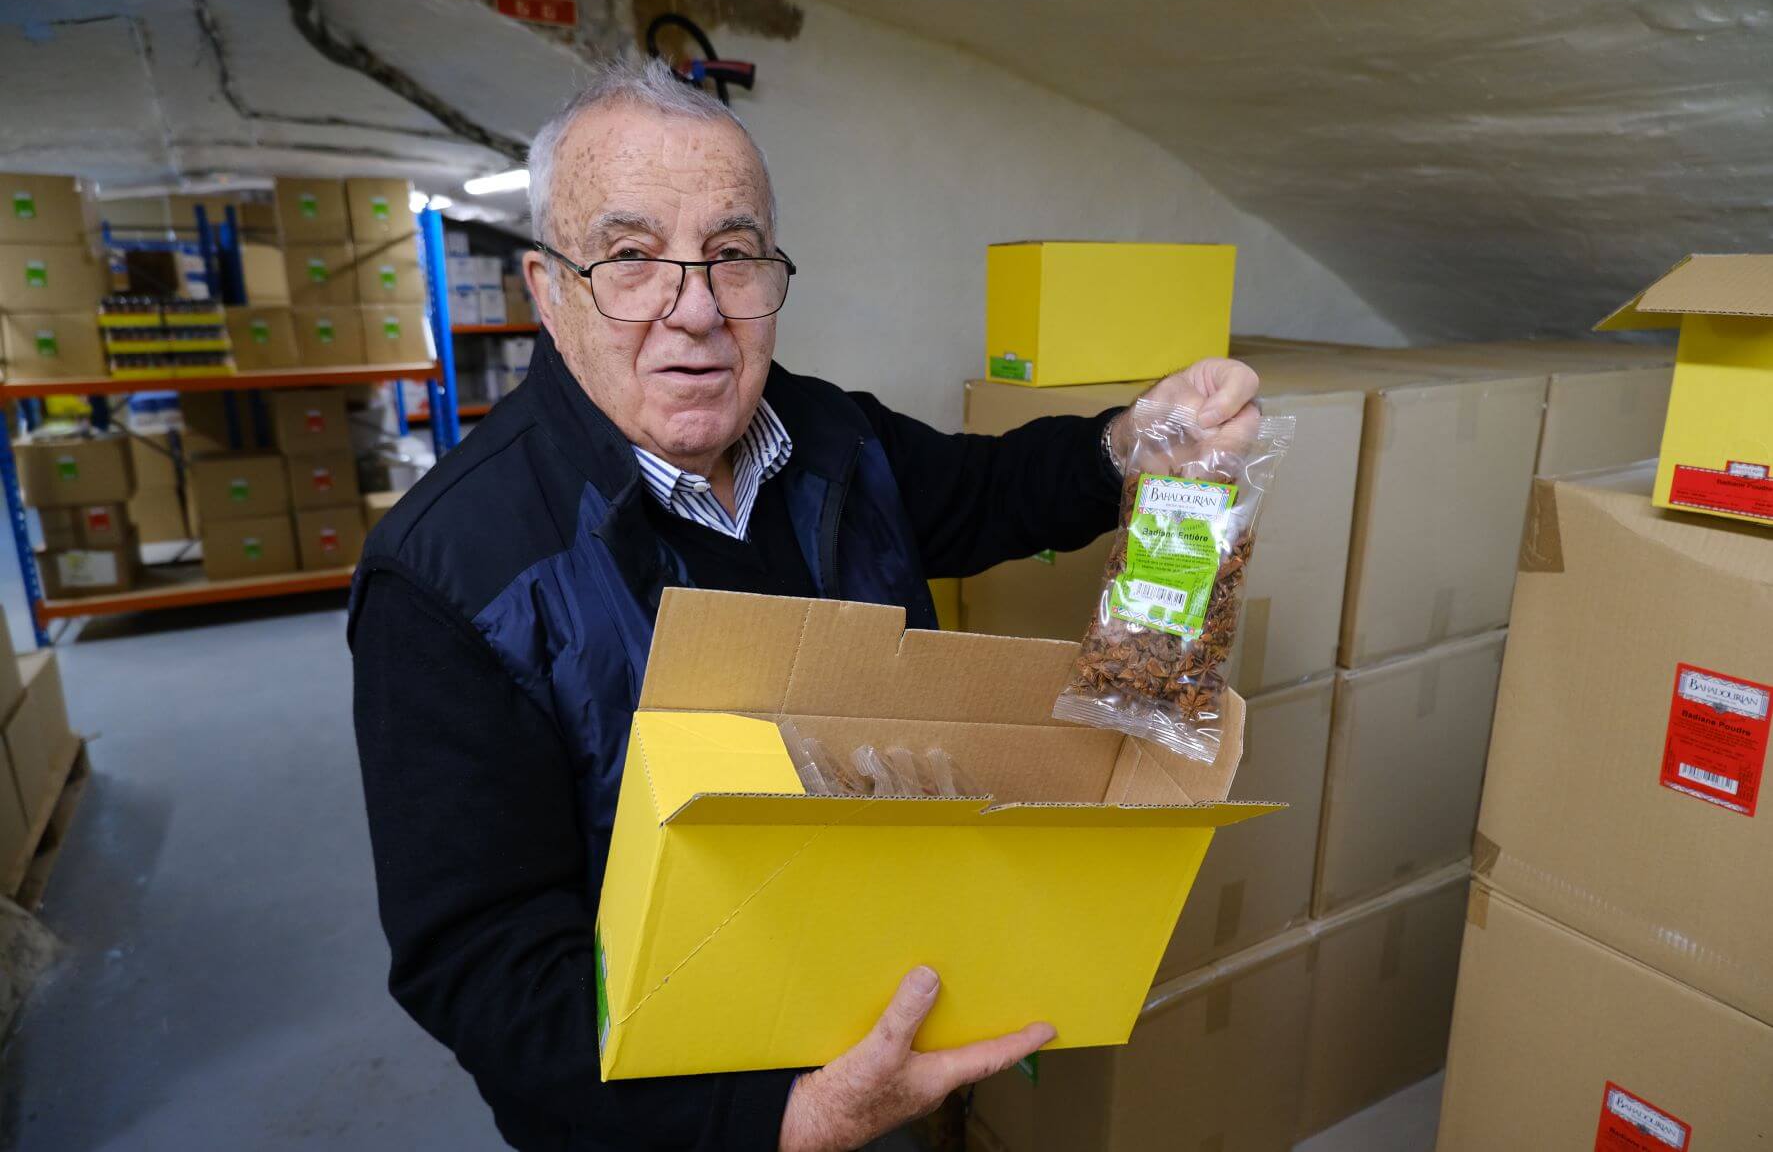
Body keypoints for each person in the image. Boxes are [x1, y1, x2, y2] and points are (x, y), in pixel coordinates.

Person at [349, 56, 1259, 1152]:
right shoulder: (448, 573)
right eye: (632, 260)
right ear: (548, 291)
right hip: (680, 1123)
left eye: (733, 258)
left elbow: (985, 492)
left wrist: (1135, 439)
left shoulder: (834, 435)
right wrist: (783, 1120)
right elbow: (483, 963)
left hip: (885, 1026)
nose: (694, 312)